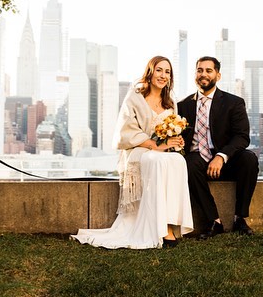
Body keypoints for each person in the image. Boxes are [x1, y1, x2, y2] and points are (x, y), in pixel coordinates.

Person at [71, 55, 194, 249]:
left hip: (161, 152)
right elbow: (124, 133)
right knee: (157, 160)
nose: (163, 75)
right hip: (137, 150)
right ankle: (160, 229)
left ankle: (169, 223)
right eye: (159, 70)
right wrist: (155, 145)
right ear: (150, 72)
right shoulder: (135, 97)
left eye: (167, 72)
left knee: (178, 161)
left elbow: (171, 135)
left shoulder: (170, 103)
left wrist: (175, 141)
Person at [178, 56, 259, 239]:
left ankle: (240, 218)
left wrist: (221, 156)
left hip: (226, 159)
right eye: (200, 70)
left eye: (208, 70)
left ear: (218, 75)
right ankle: (214, 221)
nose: (203, 74)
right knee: (188, 164)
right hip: (197, 158)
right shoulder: (182, 106)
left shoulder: (234, 102)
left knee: (249, 159)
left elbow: (242, 136)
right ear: (195, 74)